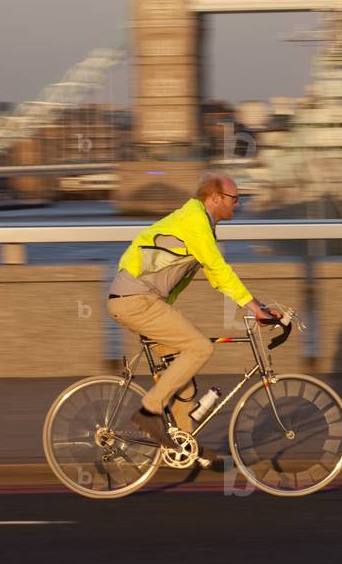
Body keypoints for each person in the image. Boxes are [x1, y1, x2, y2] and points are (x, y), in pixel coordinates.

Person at [107, 171, 280, 465]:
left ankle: (185, 448)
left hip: (143, 300)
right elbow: (218, 267)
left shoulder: (201, 223)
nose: (238, 204)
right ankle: (149, 410)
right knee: (201, 348)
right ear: (215, 198)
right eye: (234, 199)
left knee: (184, 384)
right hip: (136, 300)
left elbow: (216, 275)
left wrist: (258, 306)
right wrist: (253, 308)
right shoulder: (195, 221)